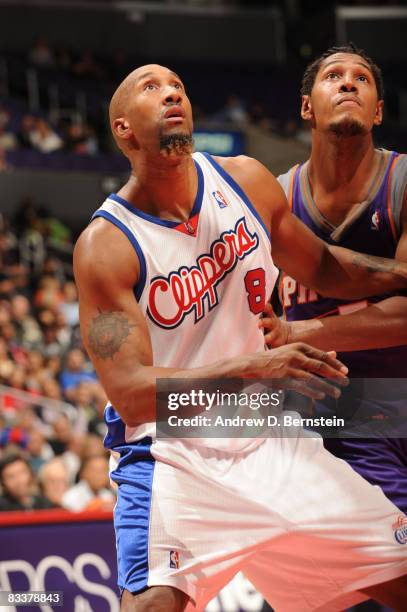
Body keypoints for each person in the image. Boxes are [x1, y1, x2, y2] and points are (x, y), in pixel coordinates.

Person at [73, 64, 407, 612]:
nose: (171, 92)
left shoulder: (244, 179)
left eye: (177, 85)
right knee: (153, 604)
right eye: (150, 88)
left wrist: (399, 274)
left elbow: (324, 266)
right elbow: (133, 395)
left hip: (272, 441)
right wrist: (254, 368)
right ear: (123, 129)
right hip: (177, 454)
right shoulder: (105, 246)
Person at [261, 43, 407, 514]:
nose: (348, 83)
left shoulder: (402, 182)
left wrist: (297, 332)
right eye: (334, 76)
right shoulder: (275, 199)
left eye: (361, 79)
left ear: (379, 111)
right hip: (344, 418)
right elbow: (260, 322)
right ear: (306, 106)